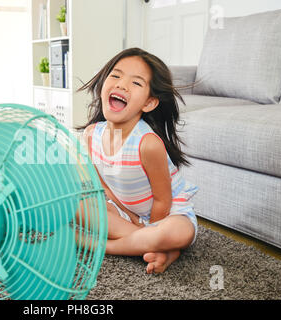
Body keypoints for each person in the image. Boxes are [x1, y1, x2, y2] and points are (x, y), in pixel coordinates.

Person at [79, 47, 198, 274]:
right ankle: (160, 249)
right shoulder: (91, 135)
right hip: (127, 211)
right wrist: (133, 220)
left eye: (136, 83)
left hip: (166, 214)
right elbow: (103, 186)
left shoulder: (148, 144)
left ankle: (104, 246)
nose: (122, 84)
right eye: (115, 75)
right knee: (77, 206)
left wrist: (152, 229)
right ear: (103, 86)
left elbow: (163, 201)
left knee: (178, 232)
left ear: (149, 103)